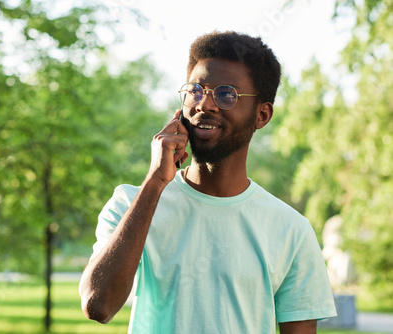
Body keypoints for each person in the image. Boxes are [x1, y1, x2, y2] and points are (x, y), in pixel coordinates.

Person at [79, 31, 336, 333]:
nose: (205, 105)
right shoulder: (131, 203)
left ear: (262, 115)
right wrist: (154, 182)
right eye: (195, 90)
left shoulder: (292, 230)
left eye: (226, 94)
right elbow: (99, 305)